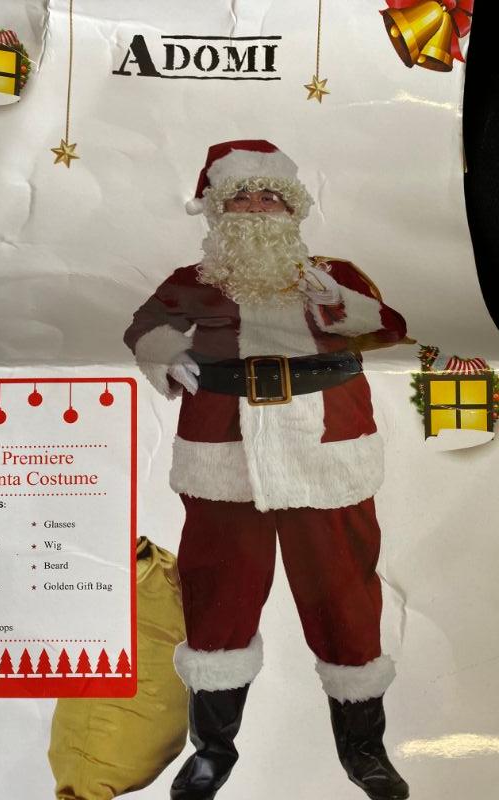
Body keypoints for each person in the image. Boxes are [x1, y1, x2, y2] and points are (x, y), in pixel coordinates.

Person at [123, 140, 410, 800]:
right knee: (217, 591)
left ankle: (364, 748)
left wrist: (335, 299)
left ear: (293, 210)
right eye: (241, 198)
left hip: (326, 446)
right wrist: (166, 353)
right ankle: (212, 750)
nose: (257, 207)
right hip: (225, 449)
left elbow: (389, 329)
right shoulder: (194, 279)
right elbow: (147, 326)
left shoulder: (335, 273)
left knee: (345, 592)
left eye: (270, 197)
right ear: (218, 213)